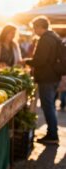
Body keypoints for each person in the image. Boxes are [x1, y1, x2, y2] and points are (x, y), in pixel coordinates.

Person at [24, 16, 61, 144]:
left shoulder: (45, 39)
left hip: (47, 77)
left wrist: (27, 61)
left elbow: (41, 60)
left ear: (40, 27)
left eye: (35, 28)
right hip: (54, 76)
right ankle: (52, 132)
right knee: (50, 105)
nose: (34, 30)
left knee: (48, 106)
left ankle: (52, 135)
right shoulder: (54, 37)